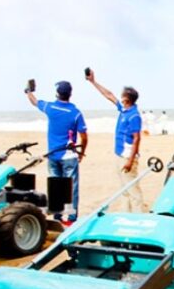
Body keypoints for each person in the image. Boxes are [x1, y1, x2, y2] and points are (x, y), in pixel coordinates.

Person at [25, 80, 88, 224]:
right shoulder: (76, 113)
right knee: (71, 187)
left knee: (56, 186)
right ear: (70, 94)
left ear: (57, 94)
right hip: (69, 155)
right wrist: (82, 152)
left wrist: (28, 91)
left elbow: (34, 101)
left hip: (53, 155)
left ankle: (58, 215)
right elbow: (84, 136)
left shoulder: (51, 107)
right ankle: (71, 217)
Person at [86, 69, 145, 213]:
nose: (120, 97)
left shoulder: (133, 115)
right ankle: (126, 215)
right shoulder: (124, 109)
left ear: (127, 99)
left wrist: (130, 160)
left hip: (127, 156)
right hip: (119, 155)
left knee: (133, 191)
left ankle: (139, 217)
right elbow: (109, 95)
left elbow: (137, 138)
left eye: (122, 96)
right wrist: (93, 81)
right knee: (124, 190)